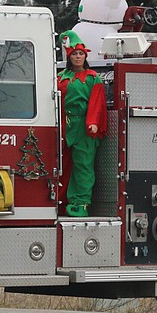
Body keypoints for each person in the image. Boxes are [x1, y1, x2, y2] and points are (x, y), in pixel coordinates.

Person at [57, 30, 107, 217]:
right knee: (63, 164)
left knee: (83, 165)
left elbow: (97, 102)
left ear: (85, 56)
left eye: (81, 54)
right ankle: (61, 200)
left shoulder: (92, 77)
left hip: (83, 126)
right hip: (64, 124)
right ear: (69, 57)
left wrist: (92, 122)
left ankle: (81, 202)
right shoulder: (61, 77)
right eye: (74, 54)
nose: (78, 57)